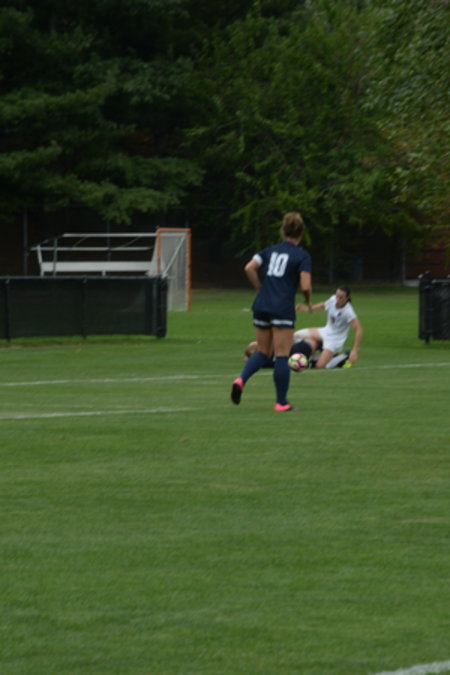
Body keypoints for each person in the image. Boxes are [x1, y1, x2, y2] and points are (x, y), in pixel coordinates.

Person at [231, 211, 312, 412]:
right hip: (282, 307)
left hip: (261, 305)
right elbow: (305, 286)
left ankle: (241, 380)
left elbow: (249, 268)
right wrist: (308, 301)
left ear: (282, 231)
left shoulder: (269, 250)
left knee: (262, 351)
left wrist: (260, 289)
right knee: (282, 355)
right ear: (301, 233)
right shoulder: (302, 256)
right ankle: (281, 403)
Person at [294, 286, 363, 368]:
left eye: (341, 297)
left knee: (320, 366)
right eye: (337, 296)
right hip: (325, 331)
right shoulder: (333, 299)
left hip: (335, 340)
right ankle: (316, 357)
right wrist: (307, 309)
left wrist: (354, 351)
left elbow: (359, 329)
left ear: (347, 298)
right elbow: (323, 305)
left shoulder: (348, 311)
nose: (337, 299)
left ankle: (344, 356)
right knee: (296, 335)